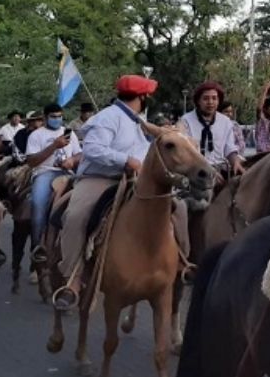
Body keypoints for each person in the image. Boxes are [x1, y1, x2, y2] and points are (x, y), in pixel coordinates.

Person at [53, 74, 189, 310]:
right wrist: (127, 160)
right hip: (101, 179)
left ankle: (182, 263)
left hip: (138, 181)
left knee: (180, 208)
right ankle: (73, 278)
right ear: (142, 96)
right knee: (76, 216)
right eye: (148, 95)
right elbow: (93, 150)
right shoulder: (106, 117)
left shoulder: (141, 121)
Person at [25, 103, 82, 261]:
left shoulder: (69, 133)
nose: (57, 119)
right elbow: (31, 161)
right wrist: (54, 146)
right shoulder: (36, 135)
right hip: (45, 172)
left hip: (68, 172)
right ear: (45, 117)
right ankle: (37, 246)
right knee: (38, 204)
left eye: (60, 116)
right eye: (53, 117)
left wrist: (72, 160)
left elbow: (79, 154)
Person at [179, 82, 245, 177]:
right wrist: (208, 171)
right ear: (198, 101)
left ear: (218, 101)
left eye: (214, 98)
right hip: (195, 172)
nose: (210, 102)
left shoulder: (225, 121)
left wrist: (235, 162)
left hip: (220, 170)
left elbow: (229, 148)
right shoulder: (186, 121)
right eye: (206, 98)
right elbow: (186, 152)